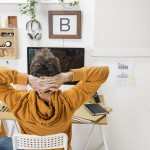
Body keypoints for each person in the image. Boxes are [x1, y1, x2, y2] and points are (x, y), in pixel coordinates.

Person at [0, 48, 109, 150]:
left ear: (34, 78)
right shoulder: (69, 101)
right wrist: (68, 76)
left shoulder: (18, 102)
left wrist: (27, 79)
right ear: (58, 79)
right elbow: (104, 72)